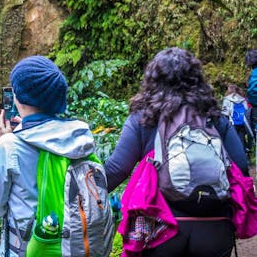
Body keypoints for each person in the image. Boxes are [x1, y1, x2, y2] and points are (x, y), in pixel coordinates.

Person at [105, 47, 249, 257]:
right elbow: (242, 167)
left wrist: (81, 196)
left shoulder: (143, 118)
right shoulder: (214, 117)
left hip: (162, 228)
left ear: (152, 80)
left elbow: (117, 169)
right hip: (216, 227)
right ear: (197, 78)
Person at [0, 56, 109, 256]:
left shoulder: (9, 145)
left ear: (19, 98)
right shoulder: (79, 137)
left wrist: (4, 142)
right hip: (73, 247)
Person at [221, 84, 250, 152]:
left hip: (232, 123)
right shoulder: (242, 99)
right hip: (243, 123)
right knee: (241, 139)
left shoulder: (227, 99)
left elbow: (225, 113)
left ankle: (234, 158)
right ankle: (244, 156)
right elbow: (247, 110)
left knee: (232, 141)